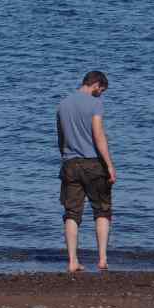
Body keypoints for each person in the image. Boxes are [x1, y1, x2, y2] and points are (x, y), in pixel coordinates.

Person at [56, 70, 117, 273]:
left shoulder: (63, 104)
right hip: (93, 163)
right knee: (102, 210)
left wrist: (65, 158)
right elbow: (98, 135)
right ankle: (102, 259)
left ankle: (73, 260)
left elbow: (61, 137)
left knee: (72, 213)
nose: (101, 94)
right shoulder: (95, 103)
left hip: (70, 163)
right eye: (101, 90)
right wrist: (109, 164)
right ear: (96, 85)